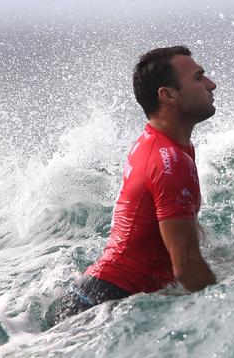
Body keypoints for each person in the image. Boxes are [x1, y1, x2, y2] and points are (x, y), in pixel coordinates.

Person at [48, 46, 217, 326]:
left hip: (96, 294)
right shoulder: (170, 160)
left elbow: (175, 231)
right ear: (168, 95)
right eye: (199, 78)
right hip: (102, 305)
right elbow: (187, 268)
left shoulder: (165, 144)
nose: (211, 84)